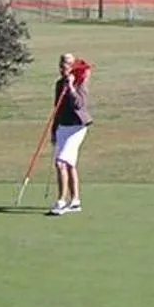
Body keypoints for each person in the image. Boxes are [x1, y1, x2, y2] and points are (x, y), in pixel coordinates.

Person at [47, 53, 92, 215]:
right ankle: (75, 201)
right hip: (63, 127)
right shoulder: (59, 84)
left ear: (72, 66)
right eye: (60, 66)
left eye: (65, 66)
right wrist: (53, 130)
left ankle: (61, 202)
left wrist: (71, 87)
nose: (62, 69)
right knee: (69, 164)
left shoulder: (80, 83)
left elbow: (79, 104)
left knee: (61, 163)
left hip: (77, 127)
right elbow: (57, 109)